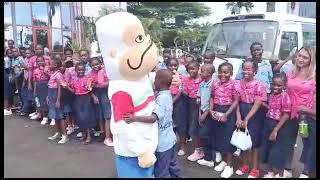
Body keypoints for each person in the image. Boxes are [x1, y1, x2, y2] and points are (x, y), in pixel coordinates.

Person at [124, 69, 182, 178]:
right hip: (170, 139)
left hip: (163, 144)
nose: (153, 81)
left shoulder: (162, 98)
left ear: (160, 81)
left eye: (155, 79)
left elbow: (153, 118)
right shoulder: (166, 94)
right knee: (173, 166)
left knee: (162, 172)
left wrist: (134, 118)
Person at [285, 46, 316, 178]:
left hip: (306, 116)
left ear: (311, 60)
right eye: (299, 55)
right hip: (290, 113)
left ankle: (306, 172)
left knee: (308, 143)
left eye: (305, 57)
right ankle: (286, 169)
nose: (300, 59)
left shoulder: (314, 75)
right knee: (288, 141)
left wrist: (307, 110)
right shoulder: (291, 72)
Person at [235, 60, 267, 178]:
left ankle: (255, 169)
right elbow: (236, 101)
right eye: (244, 68)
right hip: (241, 110)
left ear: (255, 71)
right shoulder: (238, 84)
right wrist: (239, 116)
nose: (246, 71)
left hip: (254, 114)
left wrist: (247, 119)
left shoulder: (260, 85)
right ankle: (245, 165)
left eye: (249, 69)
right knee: (243, 140)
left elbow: (258, 103)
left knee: (254, 143)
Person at [209, 62, 239, 178]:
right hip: (217, 110)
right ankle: (224, 161)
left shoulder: (234, 84)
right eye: (221, 72)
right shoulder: (215, 83)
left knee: (228, 138)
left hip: (228, 112)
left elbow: (236, 101)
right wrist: (211, 110)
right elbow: (212, 97)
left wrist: (226, 114)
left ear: (231, 73)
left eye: (226, 72)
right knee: (219, 137)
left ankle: (230, 166)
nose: (223, 74)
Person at [260, 74, 291, 178]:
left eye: (279, 85)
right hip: (268, 122)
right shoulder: (272, 95)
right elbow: (273, 109)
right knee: (267, 148)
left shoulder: (285, 96)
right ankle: (270, 173)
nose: (276, 87)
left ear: (284, 86)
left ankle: (280, 174)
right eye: (274, 84)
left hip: (278, 125)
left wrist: (276, 130)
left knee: (277, 151)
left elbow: (286, 115)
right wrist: (264, 105)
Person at [62, 62, 96, 144]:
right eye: (79, 70)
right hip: (77, 99)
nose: (81, 71)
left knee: (87, 117)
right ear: (76, 71)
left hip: (86, 99)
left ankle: (88, 135)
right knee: (80, 117)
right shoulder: (74, 80)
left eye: (82, 70)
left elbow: (90, 90)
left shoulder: (88, 78)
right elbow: (73, 91)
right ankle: (84, 134)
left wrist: (93, 96)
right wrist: (67, 87)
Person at [181, 61, 204, 162]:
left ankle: (200, 150)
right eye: (189, 69)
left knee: (198, 128)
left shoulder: (202, 79)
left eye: (193, 68)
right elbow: (185, 91)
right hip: (190, 103)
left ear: (198, 68)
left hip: (200, 104)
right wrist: (185, 92)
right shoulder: (186, 80)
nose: (191, 70)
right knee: (192, 127)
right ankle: (198, 150)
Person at [89, 57, 113, 146]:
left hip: (106, 94)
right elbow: (89, 88)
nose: (95, 66)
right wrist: (94, 96)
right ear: (90, 66)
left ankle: (108, 136)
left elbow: (110, 81)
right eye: (93, 65)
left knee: (108, 115)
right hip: (97, 94)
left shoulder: (105, 71)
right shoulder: (90, 75)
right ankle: (104, 134)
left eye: (97, 64)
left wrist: (104, 84)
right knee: (100, 115)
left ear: (100, 63)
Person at [196, 63, 216, 167]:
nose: (200, 72)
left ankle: (209, 159)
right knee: (206, 135)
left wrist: (206, 114)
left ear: (209, 73)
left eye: (202, 71)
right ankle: (210, 155)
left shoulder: (214, 83)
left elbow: (212, 100)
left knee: (204, 135)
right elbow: (200, 99)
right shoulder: (202, 84)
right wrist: (200, 113)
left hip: (210, 112)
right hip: (203, 112)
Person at [167, 58, 188, 156]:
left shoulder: (181, 77)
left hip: (179, 103)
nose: (173, 67)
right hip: (167, 102)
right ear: (167, 66)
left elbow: (181, 90)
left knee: (181, 125)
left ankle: (183, 146)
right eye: (171, 65)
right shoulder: (165, 77)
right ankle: (171, 145)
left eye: (175, 65)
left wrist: (173, 100)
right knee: (170, 125)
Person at [47, 58, 68, 143]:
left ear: (55, 65)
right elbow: (50, 86)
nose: (49, 66)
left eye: (50, 64)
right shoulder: (52, 73)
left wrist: (58, 100)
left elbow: (60, 88)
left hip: (56, 96)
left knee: (60, 116)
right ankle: (57, 133)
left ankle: (64, 135)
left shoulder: (58, 74)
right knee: (55, 116)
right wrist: (48, 96)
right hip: (51, 95)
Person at [32, 56, 51, 124]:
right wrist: (34, 91)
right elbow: (35, 81)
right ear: (36, 62)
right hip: (39, 87)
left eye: (41, 61)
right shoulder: (35, 70)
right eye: (38, 61)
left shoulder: (47, 68)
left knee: (47, 102)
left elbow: (51, 77)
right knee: (41, 102)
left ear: (44, 61)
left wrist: (44, 71)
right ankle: (44, 117)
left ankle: (49, 117)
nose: (40, 62)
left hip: (46, 86)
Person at [59, 61, 75, 135]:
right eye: (60, 66)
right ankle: (70, 125)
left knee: (69, 111)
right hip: (62, 93)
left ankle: (71, 125)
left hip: (68, 93)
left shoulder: (68, 73)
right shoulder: (58, 74)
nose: (61, 67)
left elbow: (66, 84)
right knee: (66, 111)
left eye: (63, 66)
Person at [19, 48, 35, 116]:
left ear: (32, 53)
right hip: (26, 79)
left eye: (28, 53)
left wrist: (26, 67)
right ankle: (27, 109)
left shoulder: (33, 60)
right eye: (26, 53)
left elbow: (31, 69)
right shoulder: (25, 60)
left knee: (30, 96)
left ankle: (26, 110)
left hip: (31, 79)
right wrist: (24, 81)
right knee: (24, 95)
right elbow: (25, 71)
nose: (27, 54)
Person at [4, 49, 14, 115]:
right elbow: (7, 69)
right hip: (6, 76)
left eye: (11, 53)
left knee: (7, 92)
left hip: (7, 76)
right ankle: (6, 108)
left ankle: (7, 107)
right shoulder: (6, 59)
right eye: (9, 53)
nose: (10, 54)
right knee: (6, 92)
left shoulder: (9, 59)